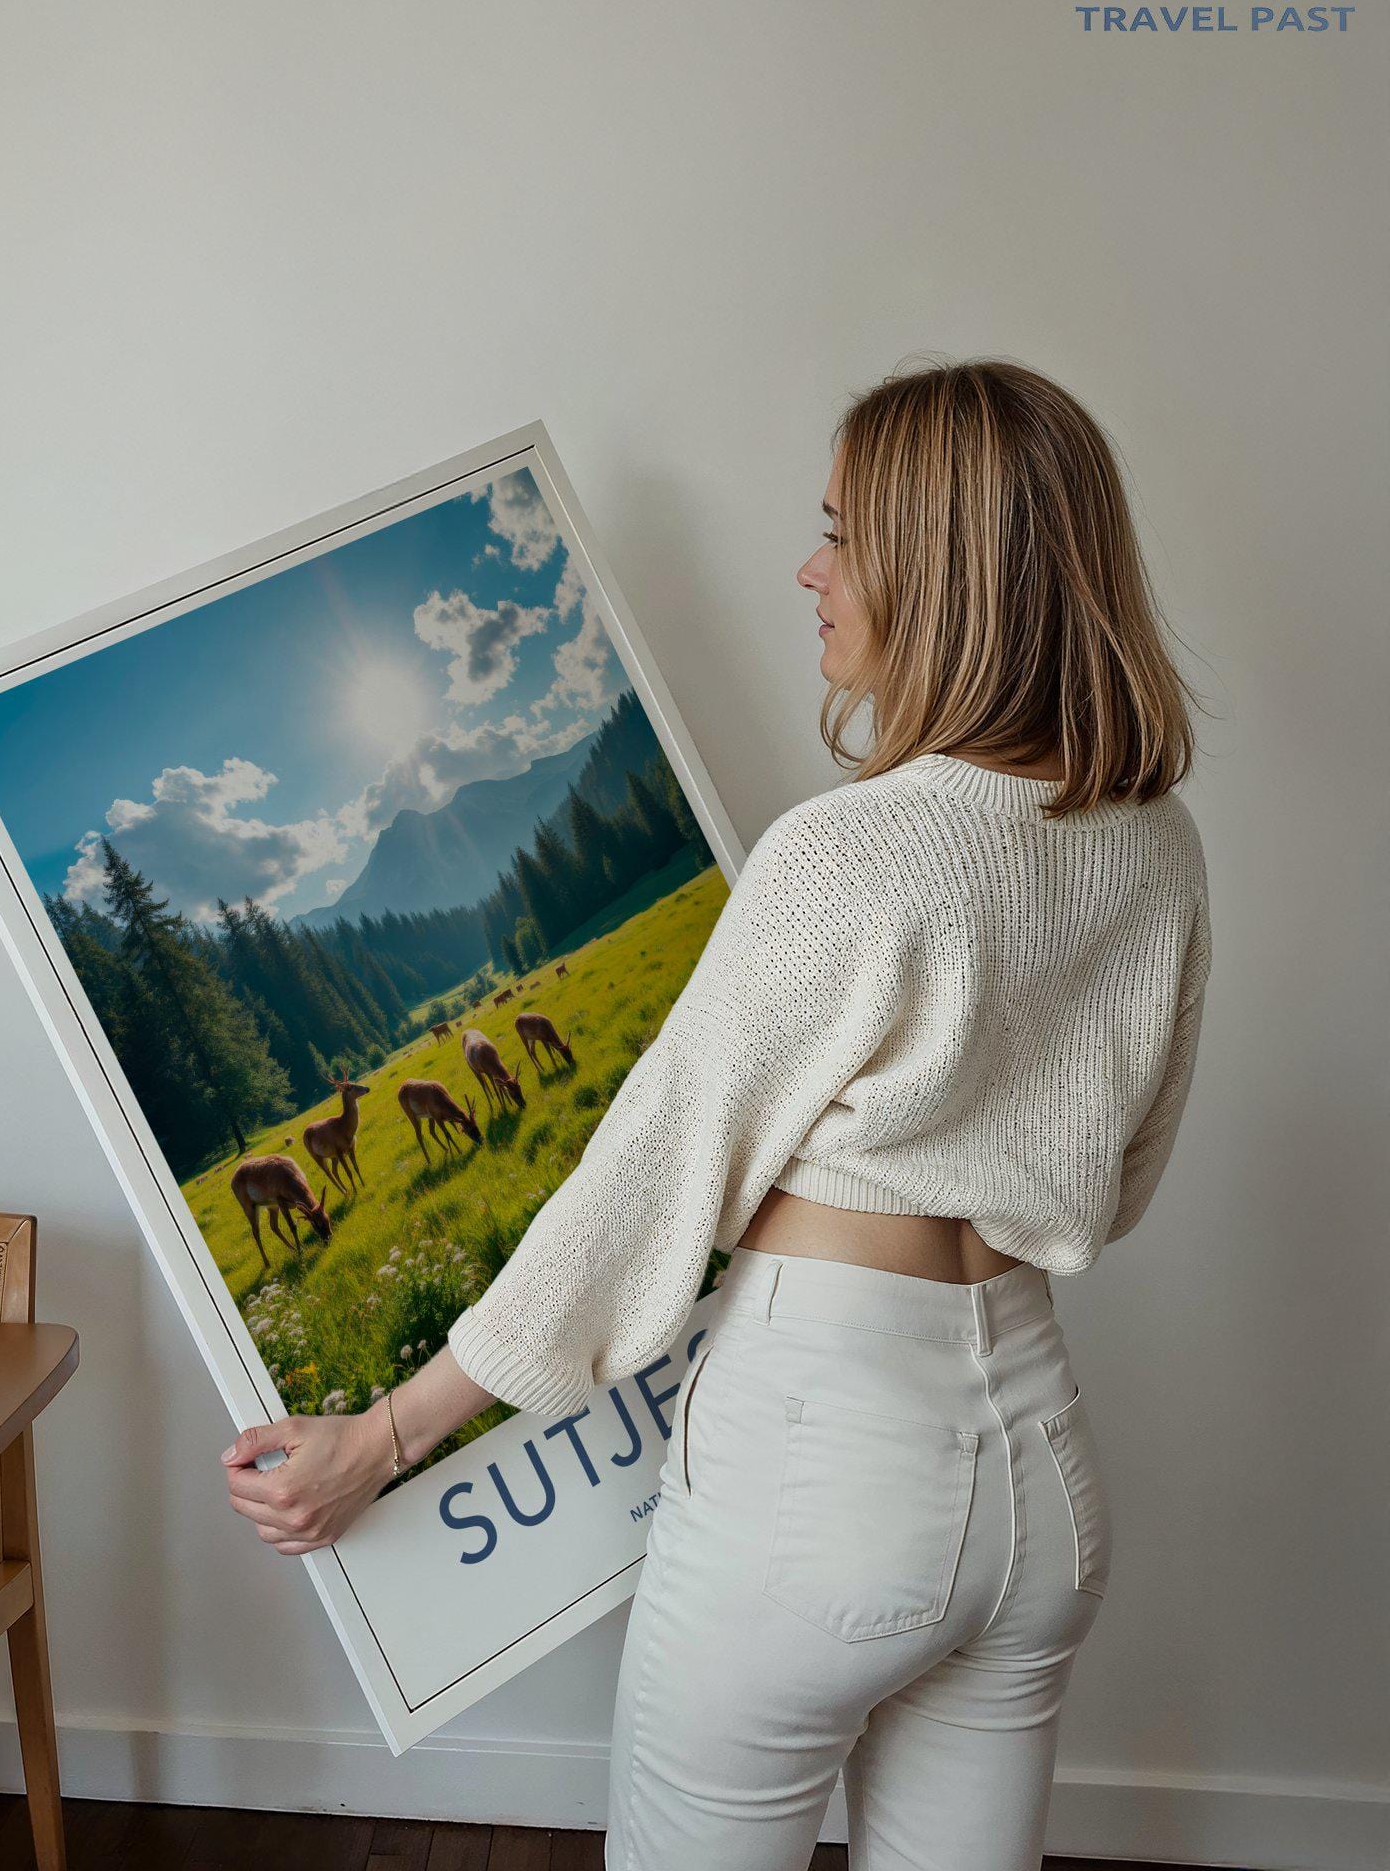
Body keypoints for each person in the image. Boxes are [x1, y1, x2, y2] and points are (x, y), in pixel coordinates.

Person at [221, 358, 1212, 1871]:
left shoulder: (850, 854)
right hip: (1041, 1469)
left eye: (842, 534)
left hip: (824, 1469)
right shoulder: (1156, 845)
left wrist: (391, 1432)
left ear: (940, 575)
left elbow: (654, 1172)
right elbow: (1115, 1179)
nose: (808, 572)